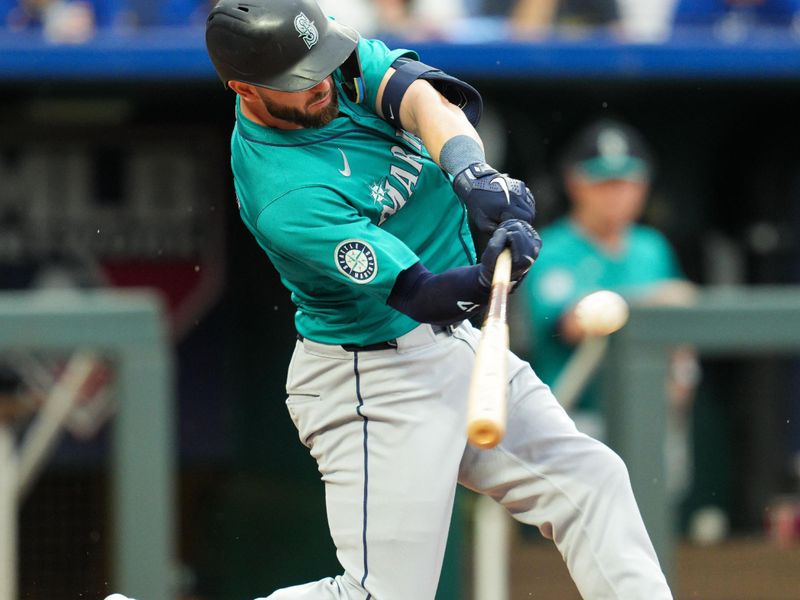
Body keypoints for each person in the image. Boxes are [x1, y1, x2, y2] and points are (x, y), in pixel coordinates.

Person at [203, 2, 673, 598]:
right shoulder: (284, 192)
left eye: (320, 63)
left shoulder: (335, 68)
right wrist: (487, 278)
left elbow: (425, 99)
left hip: (454, 349)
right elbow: (421, 293)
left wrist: (473, 175)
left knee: (591, 481)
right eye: (301, 80)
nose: (322, 83)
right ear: (244, 87)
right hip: (374, 377)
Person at [518, 118, 698, 490]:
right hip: (574, 419)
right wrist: (653, 301)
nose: (616, 193)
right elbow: (571, 323)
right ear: (574, 183)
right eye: (603, 182)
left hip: (649, 415)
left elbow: (681, 339)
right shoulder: (549, 247)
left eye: (627, 182)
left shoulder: (652, 247)